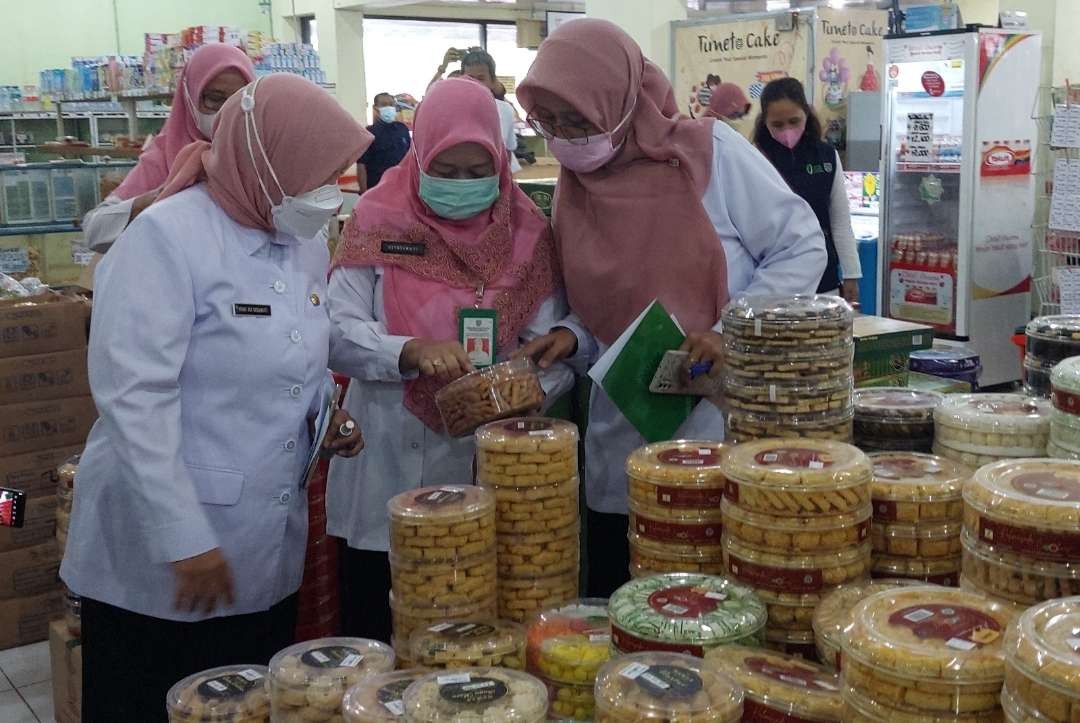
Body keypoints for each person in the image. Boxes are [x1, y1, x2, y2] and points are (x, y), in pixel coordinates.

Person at [60, 74, 371, 722]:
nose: (330, 191)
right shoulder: (167, 239)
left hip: (264, 545)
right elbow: (133, 398)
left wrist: (323, 415)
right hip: (164, 559)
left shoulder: (302, 242)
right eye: (322, 173)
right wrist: (183, 536)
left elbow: (293, 348)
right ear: (267, 157)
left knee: (247, 704)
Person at [515, 19, 826, 597]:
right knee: (624, 602)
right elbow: (601, 303)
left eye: (576, 119)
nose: (563, 136)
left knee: (707, 600)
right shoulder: (575, 185)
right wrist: (569, 335)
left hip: (715, 414)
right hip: (620, 427)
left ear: (618, 99)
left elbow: (800, 244)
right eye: (549, 122)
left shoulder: (708, 153)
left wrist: (731, 326)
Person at [326, 78, 573, 643]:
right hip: (383, 452)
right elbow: (336, 332)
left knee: (471, 632)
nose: (462, 186)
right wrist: (407, 351)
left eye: (476, 172)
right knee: (379, 630)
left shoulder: (528, 234)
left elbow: (551, 342)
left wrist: (534, 384)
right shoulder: (376, 218)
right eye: (446, 170)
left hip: (484, 456)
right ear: (419, 156)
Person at [81, 44, 255, 253]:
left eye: (239, 100)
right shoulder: (164, 155)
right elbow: (95, 229)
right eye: (214, 99)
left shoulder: (261, 154)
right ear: (189, 98)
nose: (227, 110)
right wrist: (161, 200)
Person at [753, 77, 861, 301]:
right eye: (777, 125)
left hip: (824, 279)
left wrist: (851, 274)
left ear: (807, 113)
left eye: (794, 121)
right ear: (765, 122)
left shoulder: (827, 156)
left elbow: (840, 221)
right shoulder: (754, 158)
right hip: (770, 280)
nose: (787, 131)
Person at [460, 48, 520, 173]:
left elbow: (507, 154)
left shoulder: (505, 110)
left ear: (493, 81)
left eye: (481, 78)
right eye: (469, 78)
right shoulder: (451, 109)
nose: (475, 83)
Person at [359, 92, 411, 192]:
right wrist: (363, 192)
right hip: (376, 188)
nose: (389, 108)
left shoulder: (402, 129)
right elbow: (361, 165)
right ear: (376, 108)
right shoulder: (369, 133)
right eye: (384, 105)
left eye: (391, 105)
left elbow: (410, 158)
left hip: (401, 187)